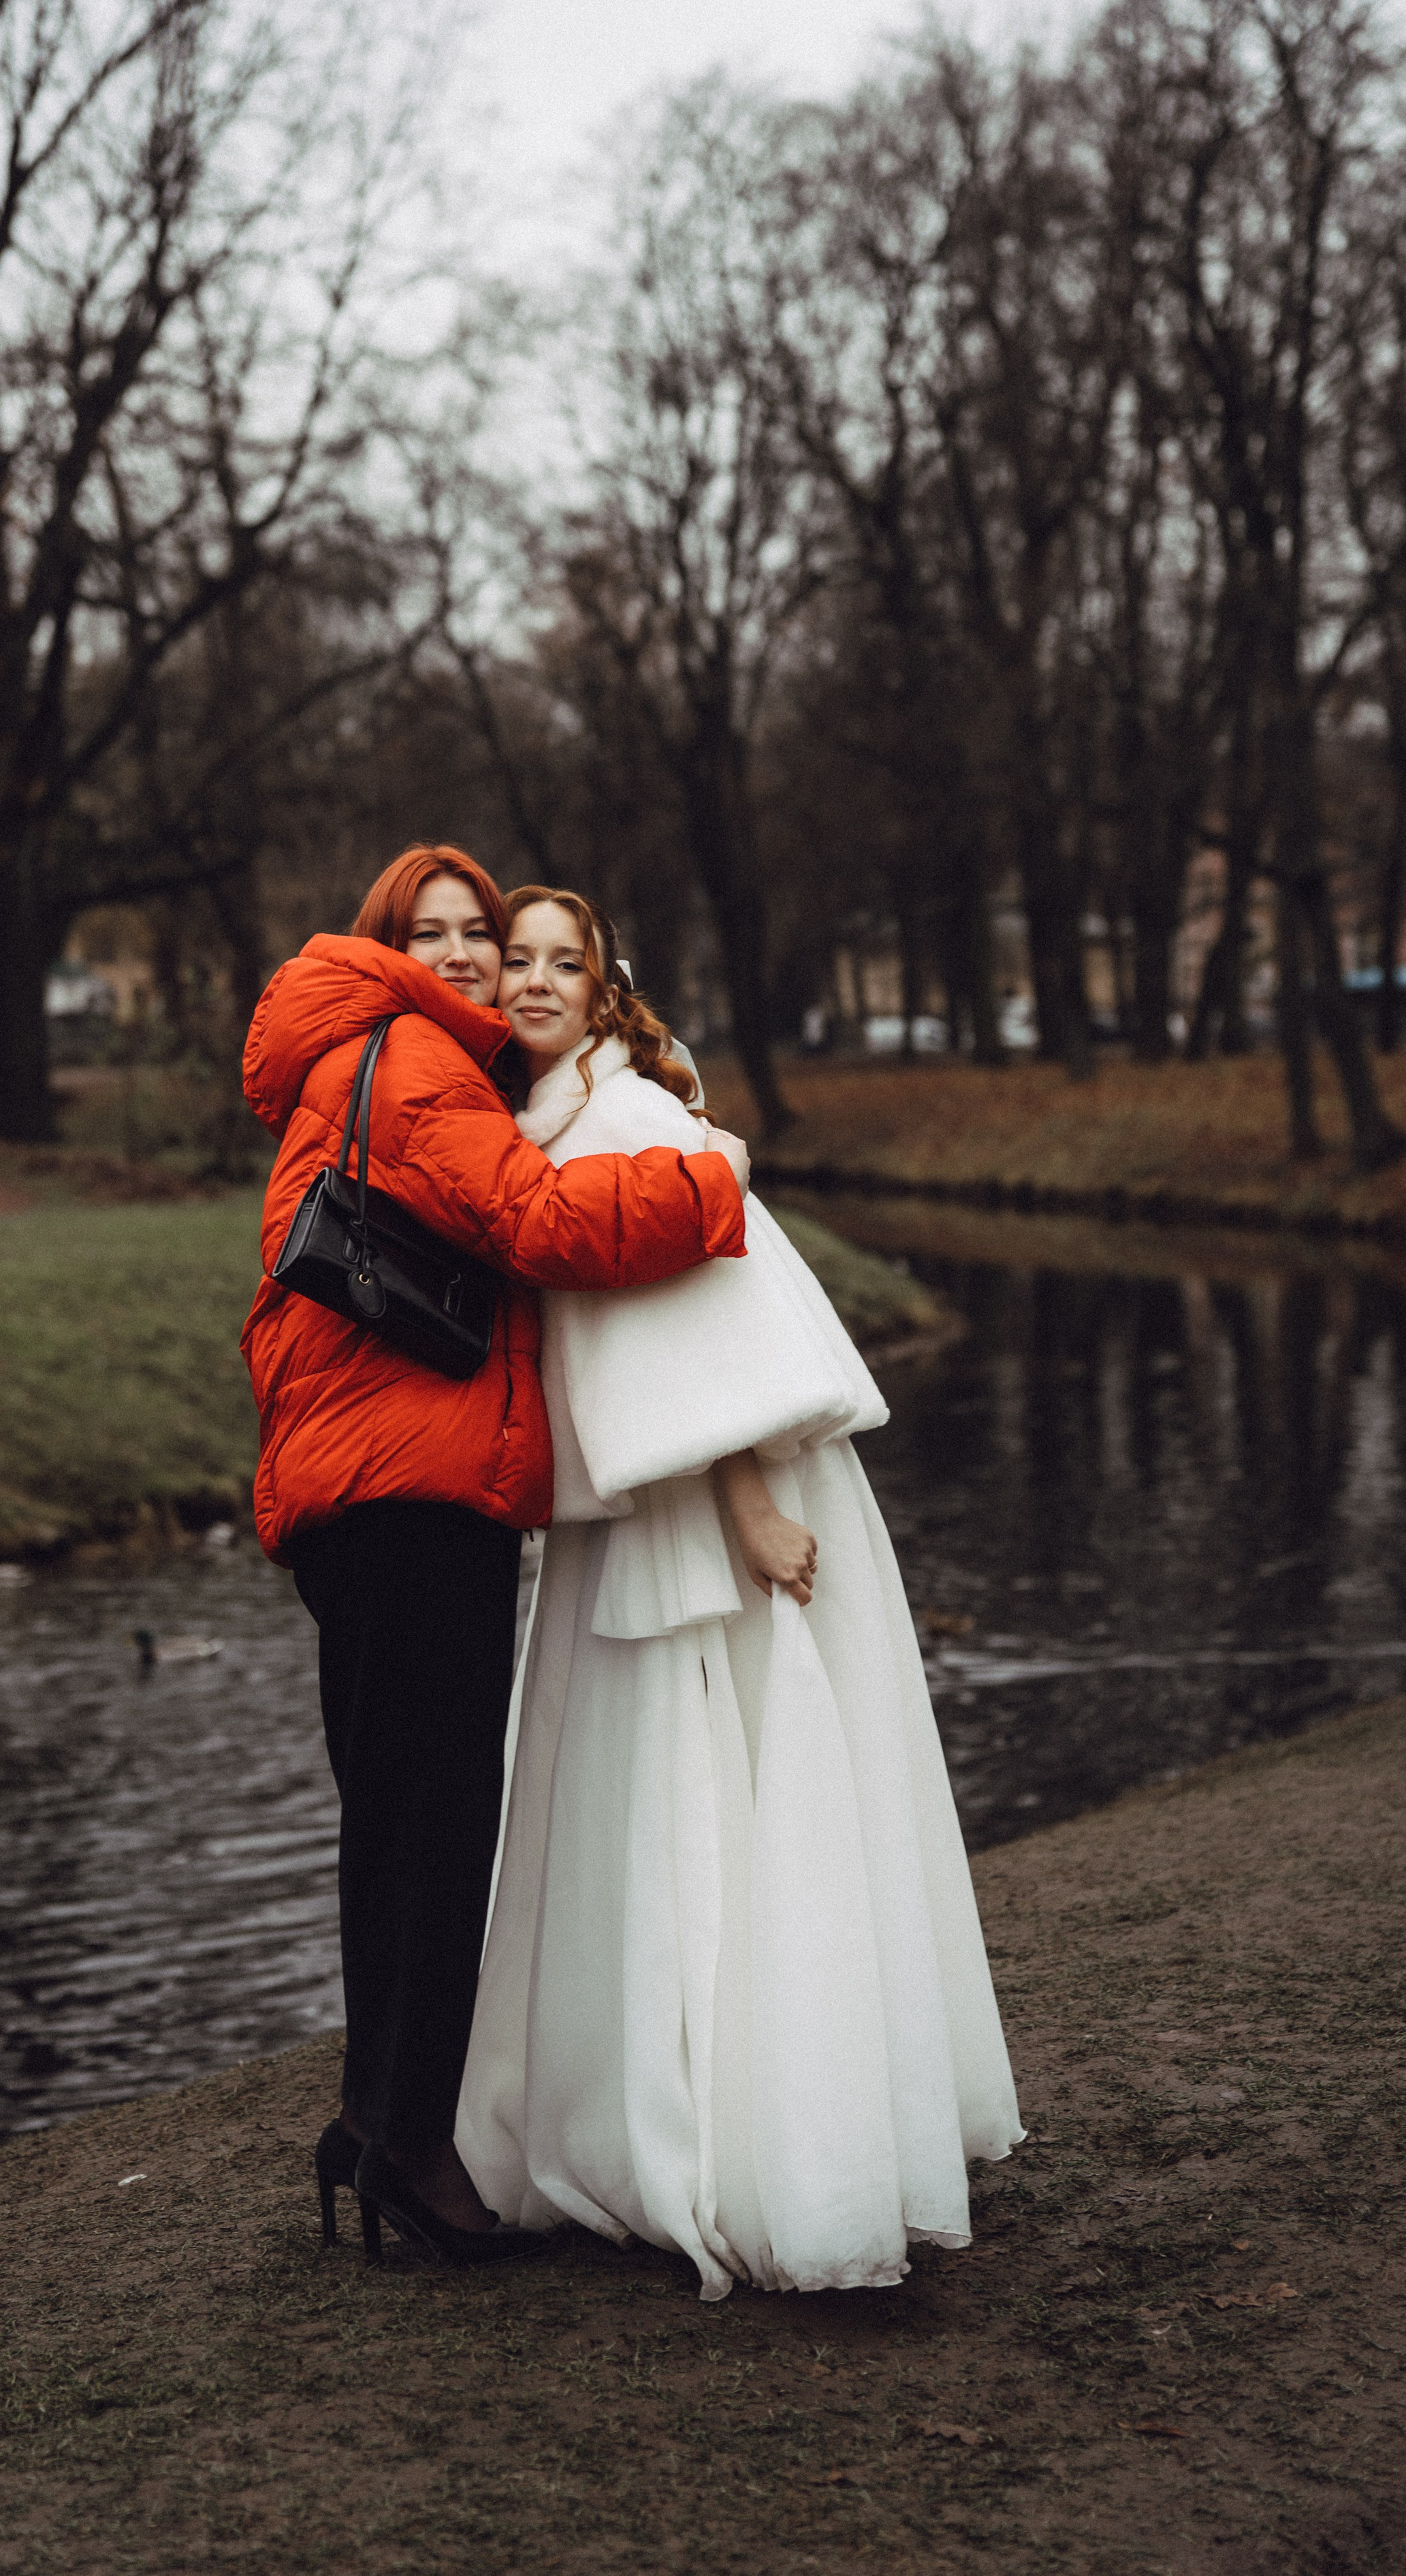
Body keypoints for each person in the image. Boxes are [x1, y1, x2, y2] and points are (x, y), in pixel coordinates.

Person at [457, 887, 1024, 2298]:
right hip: (639, 1504)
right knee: (636, 1815)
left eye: (559, 964)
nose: (530, 982)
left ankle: (763, 2137)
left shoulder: (636, 1122)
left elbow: (708, 1324)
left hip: (718, 1498)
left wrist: (753, 1506)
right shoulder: (542, 1126)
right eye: (513, 961)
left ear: (602, 987)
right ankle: (655, 2115)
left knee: (734, 1798)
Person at [238, 846, 753, 2267]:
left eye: (483, 932)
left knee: (396, 1819)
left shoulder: (366, 1046)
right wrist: (708, 1184)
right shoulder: (411, 1058)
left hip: (374, 1486)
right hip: (409, 1492)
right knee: (436, 1825)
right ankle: (408, 2146)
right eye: (436, 931)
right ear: (387, 943)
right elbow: (533, 1222)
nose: (468, 954)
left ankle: (377, 2123)